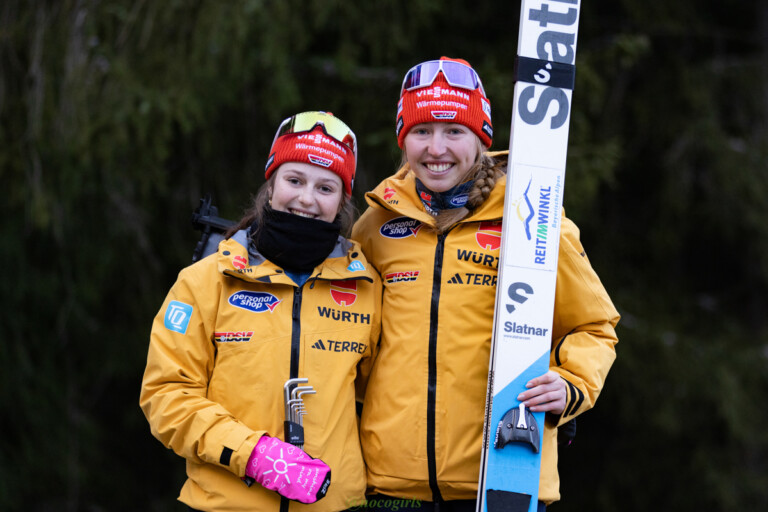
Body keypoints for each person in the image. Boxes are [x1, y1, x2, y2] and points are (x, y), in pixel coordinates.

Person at [351, 57, 619, 511]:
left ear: (481, 138)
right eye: (422, 131)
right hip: (391, 483)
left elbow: (594, 326)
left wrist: (571, 384)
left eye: (454, 131)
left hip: (501, 475)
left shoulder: (532, 215)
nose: (437, 148)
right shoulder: (377, 224)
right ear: (404, 139)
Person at [140, 111, 382, 512]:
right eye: (294, 180)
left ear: (342, 200)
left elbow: (387, 396)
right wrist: (251, 454)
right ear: (271, 185)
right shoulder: (205, 281)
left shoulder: (366, 288)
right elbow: (166, 396)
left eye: (326, 186)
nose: (307, 198)